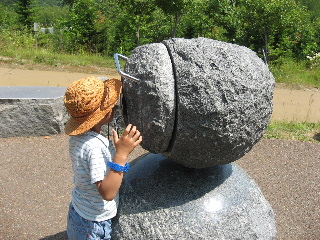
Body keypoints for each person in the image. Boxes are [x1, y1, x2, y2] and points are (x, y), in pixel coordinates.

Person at [64, 76, 142, 240]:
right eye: (112, 104)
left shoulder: (79, 138)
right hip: (93, 224)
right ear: (104, 112)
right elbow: (107, 192)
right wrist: (121, 154)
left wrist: (114, 150)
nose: (114, 107)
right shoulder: (94, 147)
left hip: (80, 211)